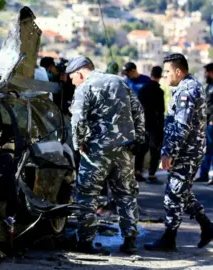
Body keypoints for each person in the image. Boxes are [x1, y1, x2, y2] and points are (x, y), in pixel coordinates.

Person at [67, 56, 145, 255]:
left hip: (96, 151)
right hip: (125, 150)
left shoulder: (85, 87)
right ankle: (130, 241)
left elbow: (78, 120)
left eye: (72, 78)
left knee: (87, 195)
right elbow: (138, 111)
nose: (72, 82)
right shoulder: (119, 81)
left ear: (80, 73)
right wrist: (139, 138)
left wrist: (79, 144)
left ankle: (85, 242)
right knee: (126, 195)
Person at [144, 53, 213, 251]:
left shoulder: (186, 92)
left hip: (185, 152)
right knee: (181, 191)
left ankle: (169, 238)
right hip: (188, 151)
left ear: (177, 71)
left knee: (173, 194)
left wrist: (168, 153)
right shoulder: (191, 87)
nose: (165, 76)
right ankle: (206, 225)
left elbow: (181, 127)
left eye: (167, 71)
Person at [122, 62, 151, 182]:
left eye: (128, 73)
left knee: (141, 146)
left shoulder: (146, 80)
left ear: (134, 70)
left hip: (143, 118)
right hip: (128, 118)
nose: (127, 75)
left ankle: (138, 171)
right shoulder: (125, 82)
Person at [137, 66, 165, 184]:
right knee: (155, 150)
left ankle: (137, 172)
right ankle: (152, 175)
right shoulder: (158, 91)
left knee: (141, 150)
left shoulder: (143, 89)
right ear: (160, 76)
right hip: (154, 125)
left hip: (142, 124)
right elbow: (161, 110)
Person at [195, 63, 213, 183]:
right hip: (206, 121)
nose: (205, 74)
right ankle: (203, 175)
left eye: (207, 72)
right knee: (206, 149)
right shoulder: (209, 86)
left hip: (212, 122)